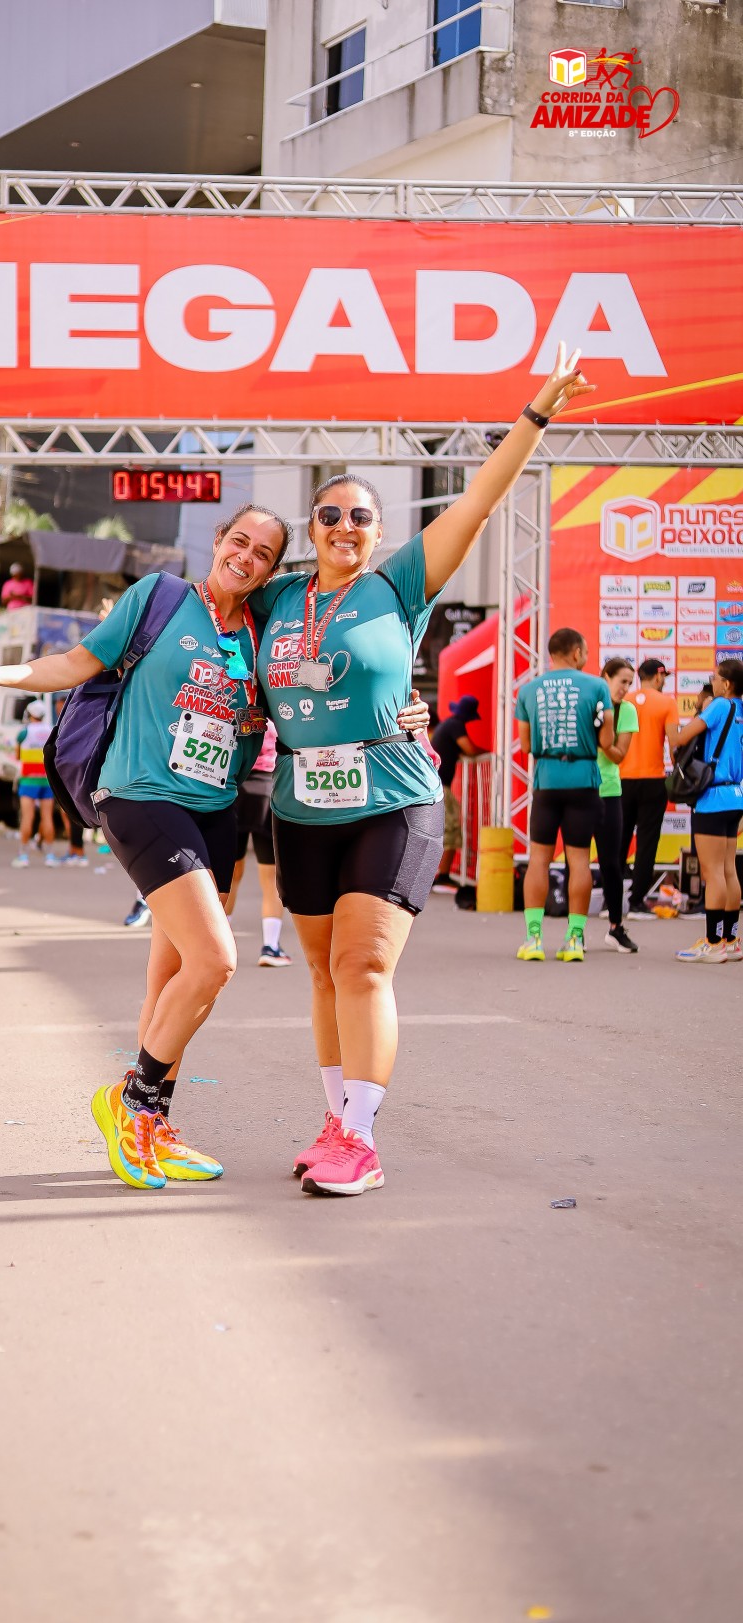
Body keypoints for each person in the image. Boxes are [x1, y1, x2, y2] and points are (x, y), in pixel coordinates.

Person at [253, 343, 594, 1196]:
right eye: (329, 514)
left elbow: (478, 500)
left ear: (379, 532)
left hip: (393, 796)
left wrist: (535, 414)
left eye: (360, 517)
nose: (344, 526)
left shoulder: (400, 583)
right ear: (311, 528)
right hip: (301, 802)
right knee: (324, 972)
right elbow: (212, 613)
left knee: (364, 964)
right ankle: (336, 1118)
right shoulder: (275, 598)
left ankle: (361, 1140)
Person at [0, 505, 295, 1189]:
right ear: (218, 540)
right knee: (216, 960)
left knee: (172, 977)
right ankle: (131, 1102)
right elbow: (75, 662)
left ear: (272, 570)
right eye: (239, 541)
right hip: (142, 795)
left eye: (263, 554)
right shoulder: (160, 598)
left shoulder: (262, 632)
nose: (246, 557)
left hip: (216, 809)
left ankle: (152, 1125)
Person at [516, 628, 614, 965]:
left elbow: (525, 745)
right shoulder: (597, 686)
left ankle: (533, 938)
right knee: (579, 861)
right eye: (585, 650)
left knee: (538, 859)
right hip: (583, 779)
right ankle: (574, 939)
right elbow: (607, 740)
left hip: (547, 780)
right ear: (575, 652)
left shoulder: (528, 690)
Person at [673, 659, 743, 964]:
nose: (711, 682)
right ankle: (731, 940)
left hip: (713, 798)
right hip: (735, 796)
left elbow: (682, 737)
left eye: (714, 678)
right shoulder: (740, 709)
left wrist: (682, 718)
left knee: (713, 873)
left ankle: (714, 944)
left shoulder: (719, 706)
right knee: (728, 870)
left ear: (726, 684)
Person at [224, 720, 292, 966]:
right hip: (268, 787)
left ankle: (221, 943)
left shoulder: (232, 701)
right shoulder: (276, 706)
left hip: (232, 786)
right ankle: (270, 946)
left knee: (229, 875)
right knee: (271, 877)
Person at [620, 657, 679, 919]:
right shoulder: (667, 703)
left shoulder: (624, 700)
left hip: (622, 779)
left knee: (618, 840)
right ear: (657, 676)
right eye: (664, 676)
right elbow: (674, 744)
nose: (664, 681)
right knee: (646, 843)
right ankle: (636, 902)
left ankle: (611, 902)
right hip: (653, 779)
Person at [596, 659, 640, 953]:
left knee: (612, 863)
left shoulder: (627, 710)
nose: (625, 688)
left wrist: (600, 736)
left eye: (629, 683)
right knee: (575, 863)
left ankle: (615, 927)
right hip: (582, 788)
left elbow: (618, 755)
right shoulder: (589, 702)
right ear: (606, 677)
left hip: (610, 791)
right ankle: (576, 931)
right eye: (621, 681)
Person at [430, 695, 483, 889]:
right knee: (451, 828)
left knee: (442, 829)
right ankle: (442, 874)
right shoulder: (455, 726)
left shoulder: (447, 725)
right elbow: (469, 749)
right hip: (441, 786)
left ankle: (439, 874)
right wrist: (487, 752)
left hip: (435, 784)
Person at [12, 702, 56, 868]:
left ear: (29, 714)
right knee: (47, 817)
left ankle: (23, 855)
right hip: (46, 779)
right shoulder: (51, 730)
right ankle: (50, 855)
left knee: (27, 817)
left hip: (28, 779)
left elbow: (17, 756)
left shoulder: (24, 732)